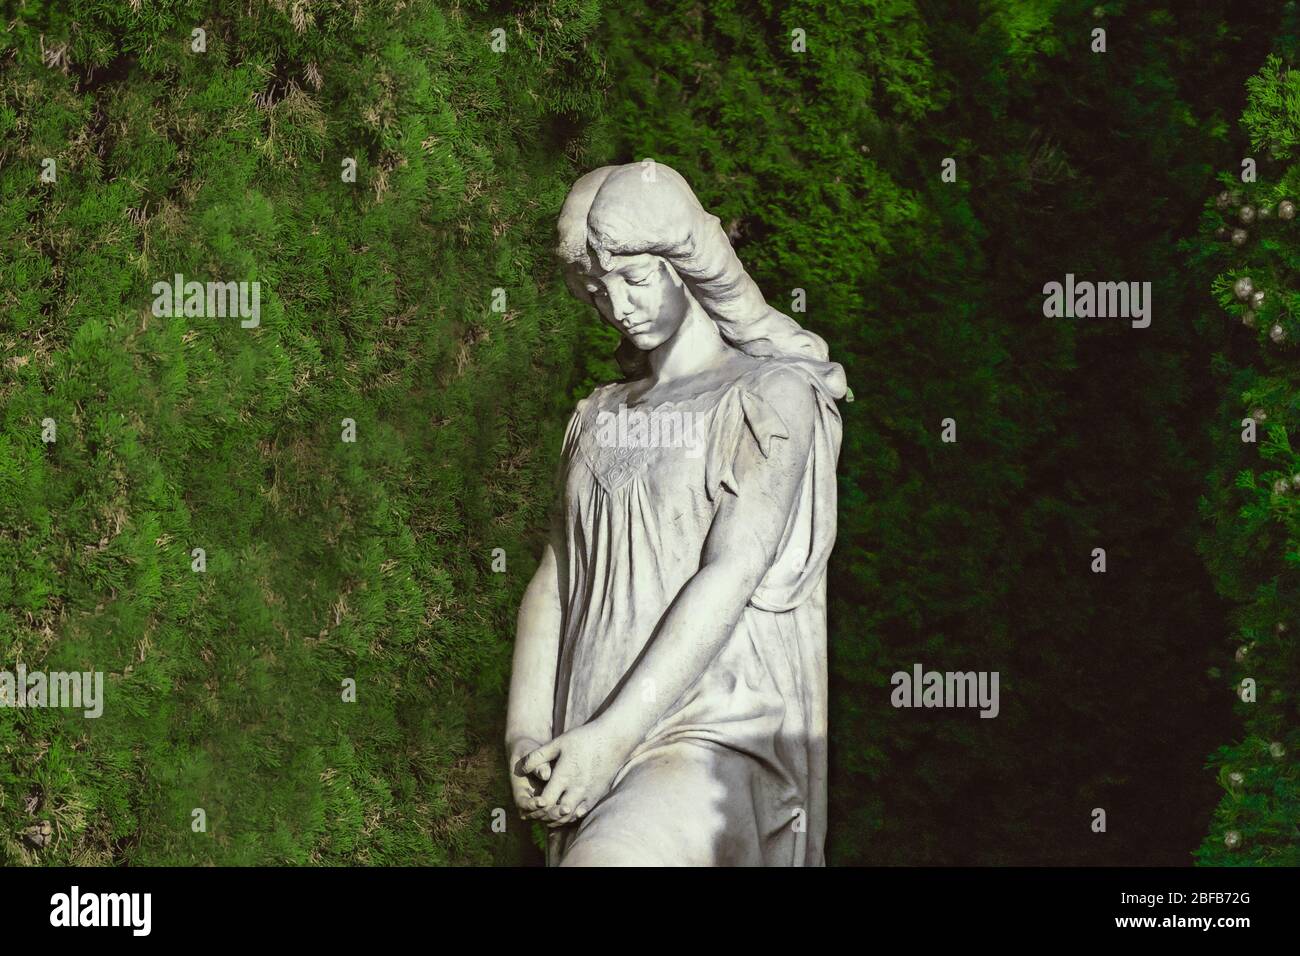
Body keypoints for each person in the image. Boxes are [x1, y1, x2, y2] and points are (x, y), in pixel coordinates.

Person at [505, 161, 847, 865]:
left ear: (689, 265)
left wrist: (614, 740)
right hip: (587, 726)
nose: (619, 306)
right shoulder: (597, 415)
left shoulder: (769, 396)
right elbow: (555, 580)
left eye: (635, 279)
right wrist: (523, 735)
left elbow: (732, 569)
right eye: (599, 291)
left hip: (707, 730)